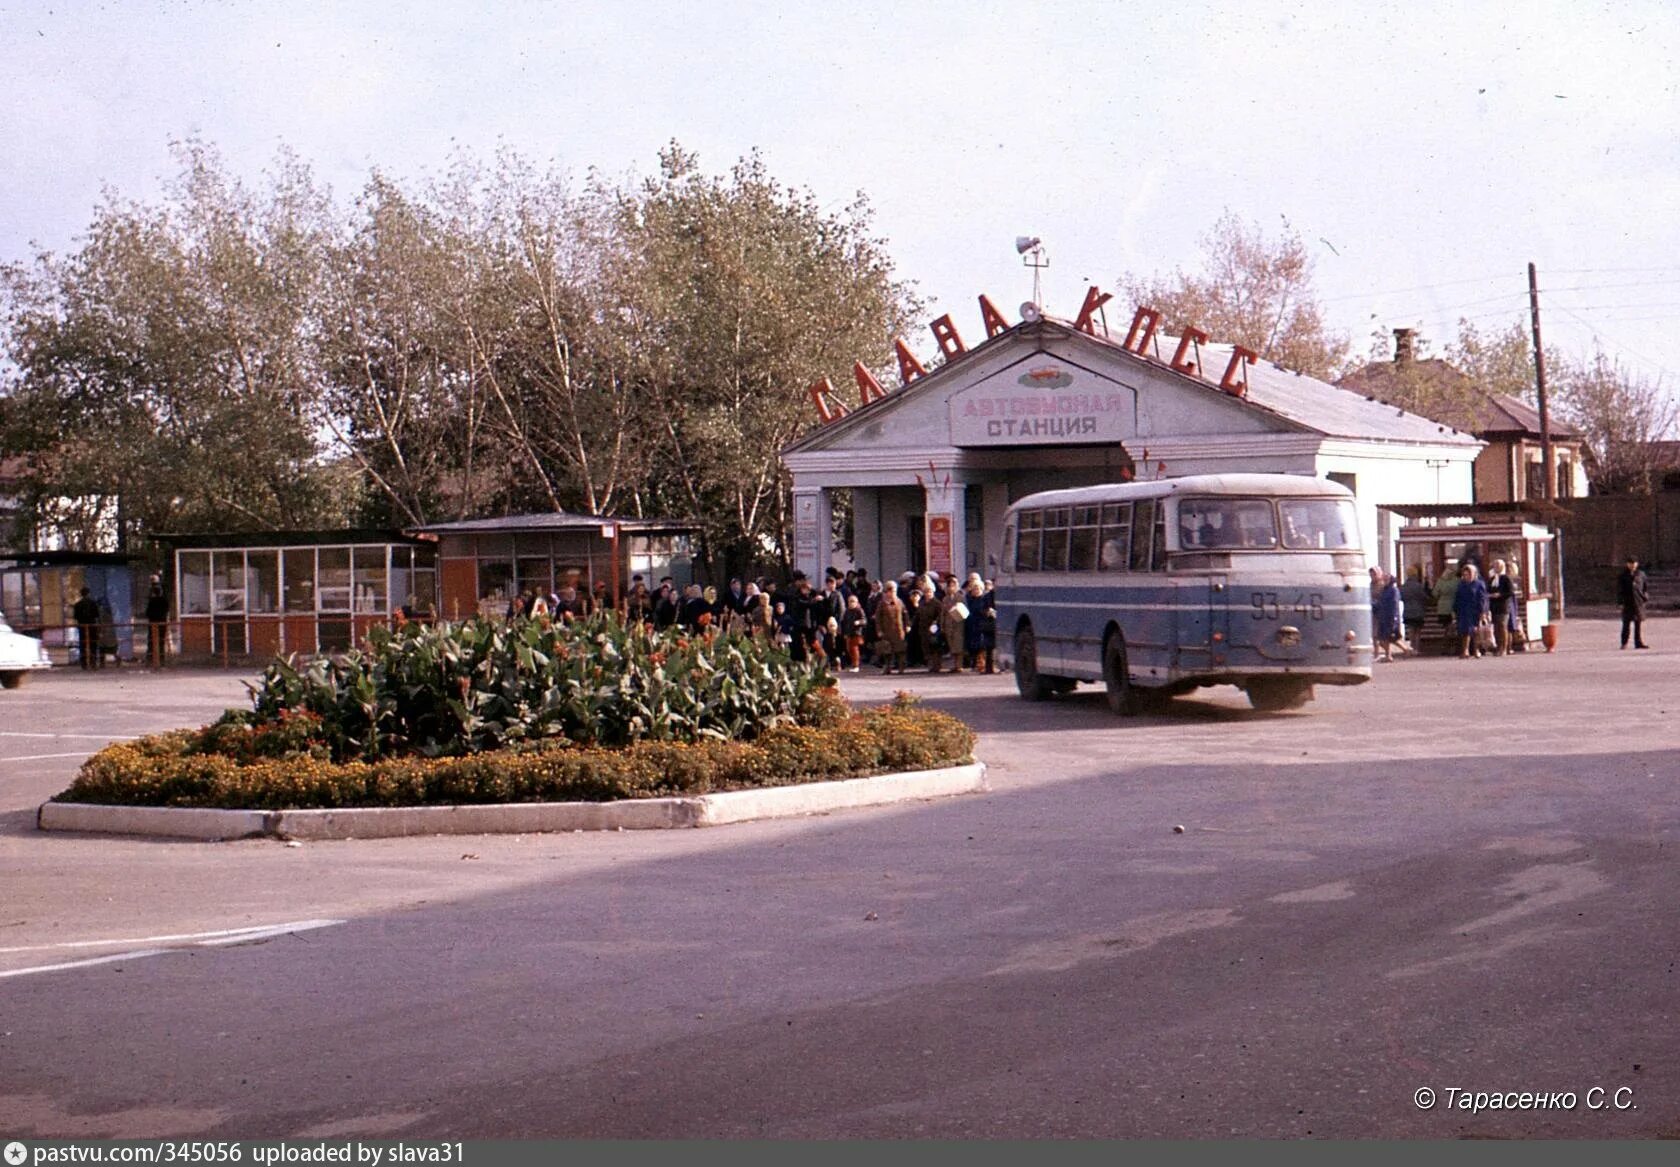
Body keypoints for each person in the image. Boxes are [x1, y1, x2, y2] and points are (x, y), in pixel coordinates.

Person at [1453, 563, 1490, 659]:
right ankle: (1465, 651)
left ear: (1473, 574)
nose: (1466, 577)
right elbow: (1457, 597)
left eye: (1468, 574)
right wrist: (1455, 609)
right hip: (1463, 610)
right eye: (1464, 575)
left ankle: (1476, 650)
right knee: (1464, 631)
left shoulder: (1479, 584)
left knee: (1475, 631)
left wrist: (1483, 612)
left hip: (1475, 610)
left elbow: (1482, 598)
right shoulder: (1461, 584)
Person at [872, 580, 907, 674]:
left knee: (900, 650)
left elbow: (905, 615)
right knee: (887, 650)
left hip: (899, 630)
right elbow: (878, 618)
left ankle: (901, 668)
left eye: (894, 591)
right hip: (886, 630)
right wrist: (879, 630)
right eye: (890, 591)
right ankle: (887, 668)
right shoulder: (882, 603)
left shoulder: (900, 602)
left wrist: (907, 625)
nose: (892, 593)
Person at [963, 574, 996, 674]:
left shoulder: (984, 597)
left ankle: (986, 666)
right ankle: (980, 665)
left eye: (978, 588)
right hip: (974, 624)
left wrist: (988, 612)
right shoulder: (971, 598)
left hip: (986, 623)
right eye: (974, 588)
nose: (976, 590)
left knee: (985, 646)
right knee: (976, 645)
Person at [1616, 556, 1650, 649]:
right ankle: (1624, 643)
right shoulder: (1623, 576)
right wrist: (1620, 602)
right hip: (1627, 602)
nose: (1633, 565)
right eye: (1631, 563)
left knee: (1638, 624)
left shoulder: (1641, 574)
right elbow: (1619, 590)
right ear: (1627, 564)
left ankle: (1638, 642)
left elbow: (1645, 587)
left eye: (1634, 563)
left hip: (1638, 602)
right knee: (1626, 624)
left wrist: (1645, 597)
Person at [1485, 558, 1516, 656]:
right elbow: (1488, 590)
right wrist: (1489, 595)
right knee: (1496, 628)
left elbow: (1510, 592)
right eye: (1495, 565)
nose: (1496, 567)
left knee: (1503, 627)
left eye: (1498, 565)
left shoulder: (1506, 578)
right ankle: (1498, 646)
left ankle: (1504, 647)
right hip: (1494, 606)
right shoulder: (1492, 579)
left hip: (1503, 606)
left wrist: (1500, 594)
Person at [1371, 568, 1404, 662]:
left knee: (1386, 638)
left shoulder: (1393, 590)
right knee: (1385, 638)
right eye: (1383, 579)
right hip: (1383, 615)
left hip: (1389, 616)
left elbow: (1394, 604)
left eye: (1386, 579)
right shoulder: (1385, 590)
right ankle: (1389, 655)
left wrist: (1394, 617)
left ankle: (1403, 650)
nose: (1384, 581)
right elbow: (1381, 602)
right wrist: (1374, 605)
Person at [1399, 565, 1430, 654]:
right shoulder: (1418, 586)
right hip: (1418, 611)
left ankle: (1411, 647)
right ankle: (1417, 648)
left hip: (1408, 611)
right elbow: (1424, 597)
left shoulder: (1404, 586)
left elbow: (1401, 597)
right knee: (1417, 631)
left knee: (1411, 630)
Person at [1433, 564, 1461, 654]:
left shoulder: (1440, 581)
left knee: (1447, 628)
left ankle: (1446, 648)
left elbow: (1434, 594)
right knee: (1454, 628)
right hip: (1454, 607)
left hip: (1442, 608)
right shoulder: (1457, 581)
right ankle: (1456, 647)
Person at [73, 586, 102, 671]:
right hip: (92, 626)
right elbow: (97, 615)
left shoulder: (77, 605)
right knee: (93, 644)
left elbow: (76, 617)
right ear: (88, 593)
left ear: (81, 594)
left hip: (82, 626)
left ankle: (84, 663)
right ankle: (93, 662)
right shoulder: (93, 603)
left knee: (83, 645)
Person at [145, 576, 170, 667]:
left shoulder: (152, 600)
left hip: (153, 622)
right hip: (162, 622)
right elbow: (167, 609)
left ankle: (151, 659)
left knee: (151, 641)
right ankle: (161, 660)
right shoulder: (164, 599)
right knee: (161, 641)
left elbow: (147, 613)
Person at [839, 594, 866, 672]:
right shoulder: (847, 611)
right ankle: (854, 664)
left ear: (856, 602)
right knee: (849, 649)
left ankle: (856, 665)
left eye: (853, 601)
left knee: (854, 649)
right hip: (848, 633)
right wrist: (844, 632)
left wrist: (859, 622)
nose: (851, 603)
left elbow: (864, 620)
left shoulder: (859, 610)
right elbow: (844, 622)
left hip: (856, 632)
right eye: (850, 602)